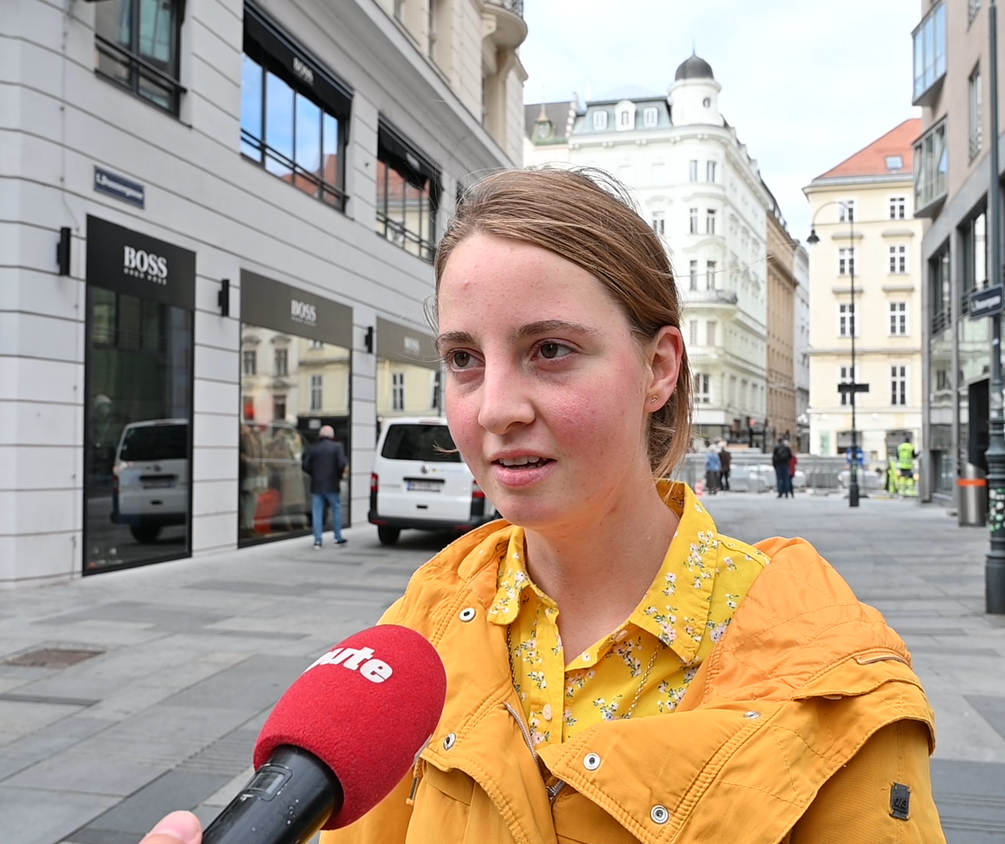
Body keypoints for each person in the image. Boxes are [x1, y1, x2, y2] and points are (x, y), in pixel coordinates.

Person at [144, 168, 942, 843]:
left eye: (549, 350)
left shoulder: (832, 685)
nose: (494, 408)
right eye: (463, 358)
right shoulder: (422, 629)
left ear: (659, 368)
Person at [301, 424, 348, 548]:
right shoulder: (337, 447)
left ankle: (317, 540)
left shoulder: (314, 448)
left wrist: (314, 474)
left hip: (317, 485)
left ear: (320, 435)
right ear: (332, 436)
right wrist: (338, 476)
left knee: (317, 512)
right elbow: (341, 464)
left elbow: (305, 465)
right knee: (336, 510)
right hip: (332, 484)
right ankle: (337, 537)